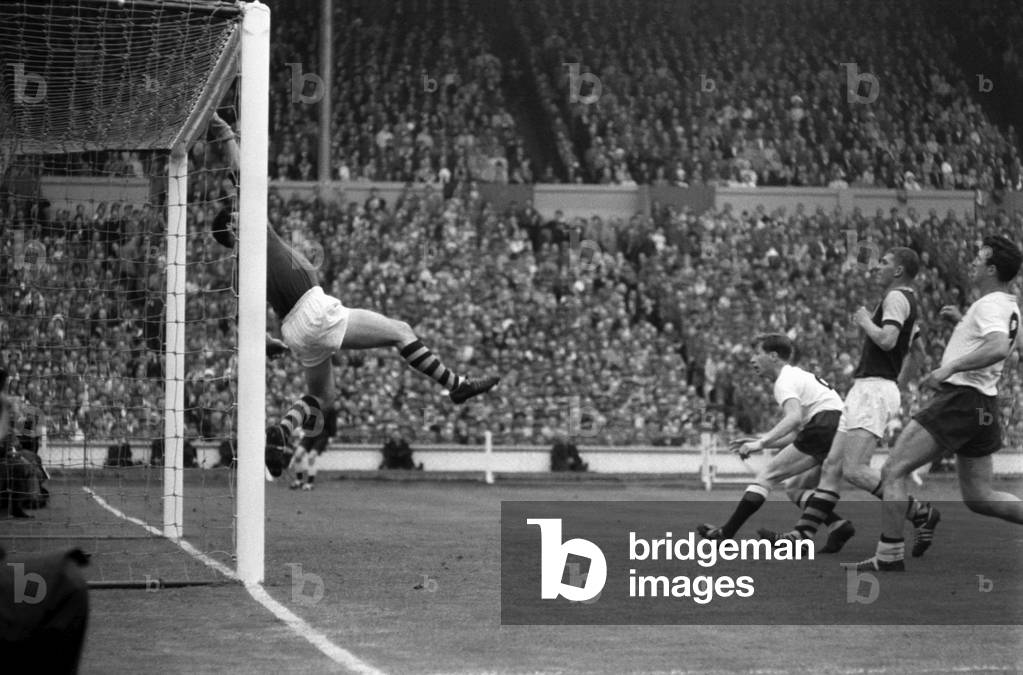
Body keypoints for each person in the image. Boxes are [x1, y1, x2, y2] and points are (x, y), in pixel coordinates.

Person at [204, 114, 500, 477]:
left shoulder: (239, 268)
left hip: (294, 330)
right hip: (312, 311)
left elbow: (240, 321)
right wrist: (226, 134)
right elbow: (240, 176)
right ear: (233, 224)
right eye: (235, 211)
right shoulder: (251, 229)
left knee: (323, 401)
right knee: (401, 330)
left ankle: (282, 430)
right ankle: (457, 386)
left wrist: (269, 342)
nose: (241, 207)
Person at [847, 235, 1022, 571]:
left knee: (893, 470)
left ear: (992, 269)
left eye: (979, 257)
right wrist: (963, 323)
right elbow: (1013, 345)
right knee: (980, 497)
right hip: (984, 404)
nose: (972, 261)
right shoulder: (1009, 305)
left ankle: (889, 557)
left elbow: (999, 347)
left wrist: (950, 367)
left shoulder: (989, 306)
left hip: (959, 399)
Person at [759, 248, 936, 547]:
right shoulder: (906, 302)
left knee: (854, 469)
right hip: (870, 388)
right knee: (831, 466)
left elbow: (888, 339)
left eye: (884, 262)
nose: (877, 266)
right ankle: (801, 536)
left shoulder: (896, 298)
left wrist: (865, 320)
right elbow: (917, 352)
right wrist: (896, 385)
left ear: (897, 270)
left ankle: (920, 512)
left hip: (873, 389)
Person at [697, 334, 855, 551]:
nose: (752, 359)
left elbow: (793, 419)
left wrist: (761, 443)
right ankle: (838, 525)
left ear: (773, 356)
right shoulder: (796, 377)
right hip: (837, 426)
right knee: (795, 487)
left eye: (756, 353)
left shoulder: (784, 380)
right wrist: (760, 442)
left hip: (826, 425)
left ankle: (725, 534)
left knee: (767, 476)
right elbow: (798, 434)